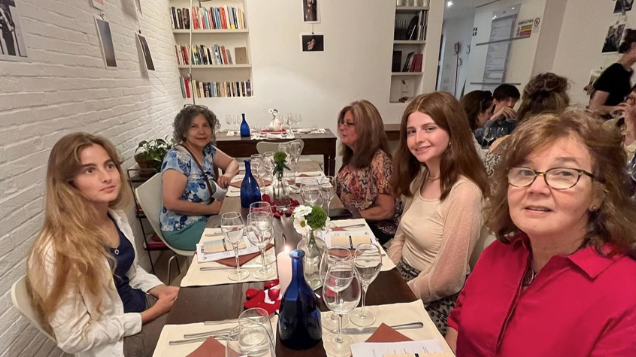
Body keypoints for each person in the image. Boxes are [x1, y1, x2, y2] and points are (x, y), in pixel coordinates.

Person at [445, 109, 636, 356]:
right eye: (525, 172)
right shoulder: (497, 253)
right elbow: (457, 328)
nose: (536, 187)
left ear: (598, 195)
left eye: (564, 173)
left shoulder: (627, 294)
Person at [26, 133, 179, 357]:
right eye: (89, 170)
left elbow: (132, 274)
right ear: (68, 183)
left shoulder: (115, 217)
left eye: (109, 166)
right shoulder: (56, 249)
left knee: (201, 304)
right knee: (200, 326)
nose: (107, 177)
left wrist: (162, 290)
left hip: (141, 306)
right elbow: (73, 339)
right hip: (119, 342)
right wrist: (151, 314)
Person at [388, 92, 489, 335]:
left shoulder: (464, 193)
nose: (417, 139)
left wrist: (399, 293)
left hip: (434, 299)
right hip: (403, 278)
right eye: (411, 131)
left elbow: (448, 279)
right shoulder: (422, 176)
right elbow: (401, 235)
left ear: (453, 132)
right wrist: (388, 273)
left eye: (429, 128)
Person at [161, 105, 239, 251]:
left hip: (207, 218)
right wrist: (209, 209)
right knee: (237, 239)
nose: (201, 131)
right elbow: (171, 203)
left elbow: (232, 163)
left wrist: (227, 174)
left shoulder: (207, 150)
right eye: (194, 126)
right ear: (184, 132)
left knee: (244, 224)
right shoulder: (177, 158)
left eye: (206, 126)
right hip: (183, 228)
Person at [335, 99, 400, 245]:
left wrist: (349, 217)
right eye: (342, 122)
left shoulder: (379, 160)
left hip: (376, 228)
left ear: (366, 128)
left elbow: (386, 210)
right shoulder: (352, 155)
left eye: (349, 123)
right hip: (355, 221)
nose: (342, 127)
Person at [485, 73, 570, 176]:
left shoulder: (506, 137)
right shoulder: (562, 153)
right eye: (506, 100)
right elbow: (484, 139)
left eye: (514, 101)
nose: (510, 104)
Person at [590, 29, 636, 116]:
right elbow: (594, 107)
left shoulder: (627, 72)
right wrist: (622, 108)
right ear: (633, 46)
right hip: (603, 125)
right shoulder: (614, 71)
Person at [459, 90, 494, 158]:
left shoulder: (461, 128)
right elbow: (483, 160)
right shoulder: (466, 134)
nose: (489, 118)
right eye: (489, 113)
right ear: (479, 113)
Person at [606, 85, 636, 159]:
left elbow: (629, 164)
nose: (631, 103)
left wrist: (630, 125)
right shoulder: (611, 124)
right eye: (630, 98)